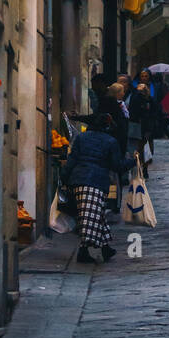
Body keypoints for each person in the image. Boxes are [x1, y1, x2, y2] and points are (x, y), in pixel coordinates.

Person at [64, 112, 134, 264]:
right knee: (90, 217)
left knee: (94, 215)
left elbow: (72, 159)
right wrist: (132, 162)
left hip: (78, 179)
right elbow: (117, 166)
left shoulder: (81, 138)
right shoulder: (110, 141)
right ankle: (83, 251)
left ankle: (105, 249)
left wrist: (65, 177)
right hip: (96, 181)